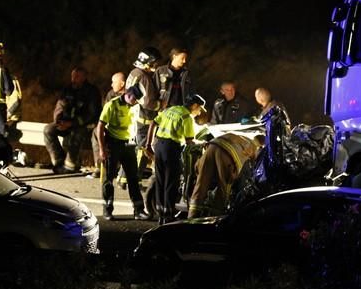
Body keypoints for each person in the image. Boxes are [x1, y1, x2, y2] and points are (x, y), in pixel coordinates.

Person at [145, 95, 204, 224]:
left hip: (159, 145)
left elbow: (153, 123)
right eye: (199, 109)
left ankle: (161, 215)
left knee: (160, 180)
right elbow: (189, 141)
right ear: (194, 106)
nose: (199, 113)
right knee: (171, 182)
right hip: (171, 149)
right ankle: (169, 215)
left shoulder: (170, 109)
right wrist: (202, 144)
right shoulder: (186, 117)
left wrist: (148, 145)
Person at [96, 85, 151, 221]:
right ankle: (107, 210)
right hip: (113, 144)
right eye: (135, 99)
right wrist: (102, 149)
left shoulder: (135, 106)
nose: (136, 102)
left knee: (133, 178)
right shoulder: (112, 105)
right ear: (128, 94)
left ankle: (138, 210)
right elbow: (100, 127)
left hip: (129, 145)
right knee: (108, 179)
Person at [188, 132, 263, 218]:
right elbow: (253, 167)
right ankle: (216, 219)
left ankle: (191, 218)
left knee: (200, 187)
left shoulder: (241, 137)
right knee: (223, 190)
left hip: (212, 147)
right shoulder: (254, 147)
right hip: (227, 154)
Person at [44, 66, 100, 174]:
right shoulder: (67, 89)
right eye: (73, 76)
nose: (73, 79)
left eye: (77, 76)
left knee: (77, 133)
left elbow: (92, 114)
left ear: (84, 77)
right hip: (66, 124)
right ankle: (59, 161)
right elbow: (59, 106)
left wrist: (72, 123)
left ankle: (70, 165)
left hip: (84, 125)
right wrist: (58, 121)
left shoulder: (92, 92)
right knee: (48, 130)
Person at [126, 47, 162, 181]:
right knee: (142, 149)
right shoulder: (144, 77)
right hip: (144, 118)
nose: (156, 65)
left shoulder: (134, 72)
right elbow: (148, 102)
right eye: (155, 62)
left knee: (135, 147)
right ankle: (133, 178)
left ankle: (124, 178)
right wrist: (160, 105)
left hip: (134, 116)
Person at [89, 72, 126, 178]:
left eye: (114, 82)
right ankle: (100, 165)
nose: (111, 85)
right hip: (111, 125)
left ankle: (116, 167)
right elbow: (105, 113)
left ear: (122, 83)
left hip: (125, 127)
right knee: (97, 132)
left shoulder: (130, 95)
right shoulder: (111, 94)